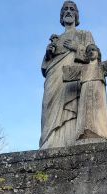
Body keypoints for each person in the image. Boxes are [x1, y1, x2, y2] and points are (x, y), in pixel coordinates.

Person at [40, 1, 95, 149]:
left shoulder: (84, 34)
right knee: (48, 106)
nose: (68, 12)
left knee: (71, 107)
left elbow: (94, 56)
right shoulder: (55, 39)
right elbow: (44, 68)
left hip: (72, 77)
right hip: (53, 76)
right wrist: (48, 54)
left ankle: (69, 141)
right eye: (65, 9)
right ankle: (49, 142)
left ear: (76, 15)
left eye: (72, 9)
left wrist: (77, 47)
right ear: (61, 15)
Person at [63, 44, 107, 144]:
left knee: (98, 111)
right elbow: (67, 74)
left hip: (98, 90)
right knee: (84, 111)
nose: (91, 52)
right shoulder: (83, 69)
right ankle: (83, 133)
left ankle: (100, 133)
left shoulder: (102, 66)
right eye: (89, 50)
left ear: (98, 53)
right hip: (85, 91)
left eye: (93, 50)